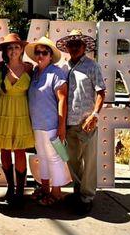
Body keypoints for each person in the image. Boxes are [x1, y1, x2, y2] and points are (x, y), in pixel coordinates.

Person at [56, 29, 106, 214]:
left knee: (89, 160)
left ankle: (87, 196)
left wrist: (95, 114)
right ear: (67, 47)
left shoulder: (93, 66)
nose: (74, 47)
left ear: (85, 47)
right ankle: (78, 192)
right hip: (68, 123)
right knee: (72, 161)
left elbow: (101, 92)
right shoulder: (63, 68)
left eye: (78, 44)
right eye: (71, 44)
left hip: (87, 123)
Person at [25, 36, 71, 206]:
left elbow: (62, 100)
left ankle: (56, 192)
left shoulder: (56, 73)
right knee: (42, 157)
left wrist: (61, 127)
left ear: (51, 56)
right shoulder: (35, 72)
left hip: (51, 125)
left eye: (45, 52)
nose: (40, 55)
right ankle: (44, 188)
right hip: (37, 125)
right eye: (37, 52)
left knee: (54, 158)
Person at [0, 33, 35, 207]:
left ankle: (20, 189)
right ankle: (10, 187)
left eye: (16, 47)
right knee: (4, 150)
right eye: (9, 47)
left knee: (19, 151)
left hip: (22, 111)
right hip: (3, 111)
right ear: (5, 51)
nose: (13, 50)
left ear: (22, 49)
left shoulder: (29, 68)